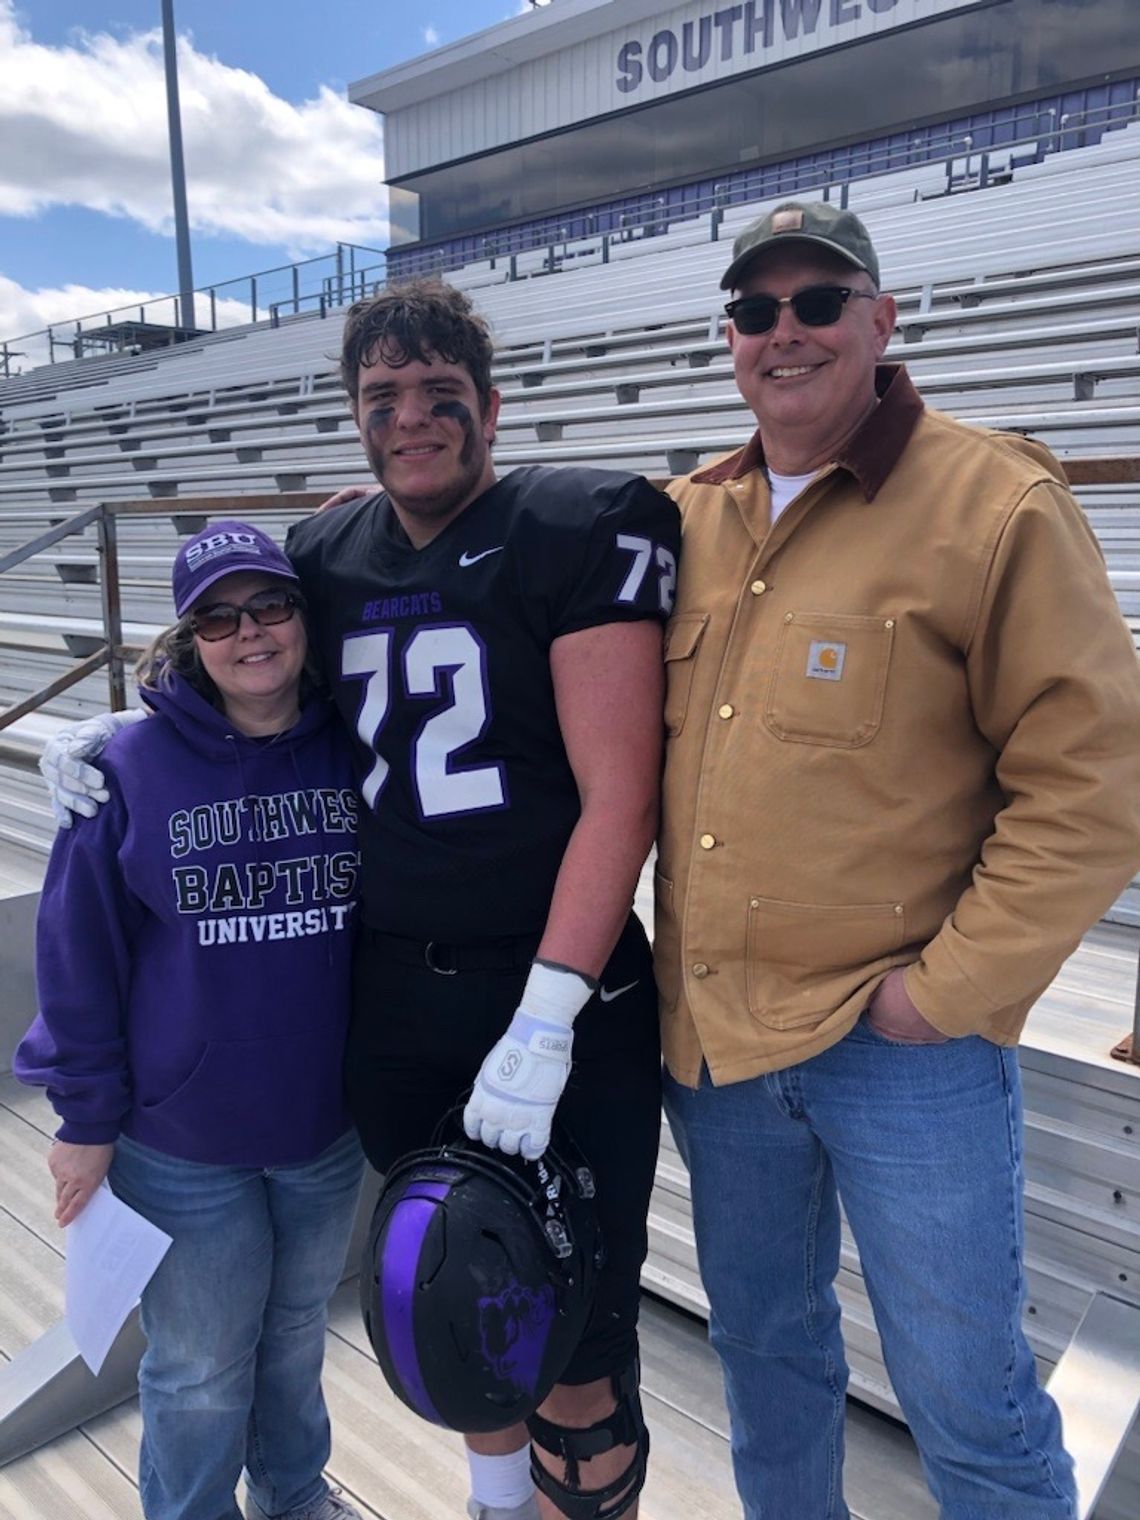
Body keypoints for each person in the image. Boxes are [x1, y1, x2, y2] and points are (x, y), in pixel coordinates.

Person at [41, 280, 681, 1520]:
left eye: (442, 392)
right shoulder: (332, 551)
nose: (413, 416)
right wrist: (135, 726)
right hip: (401, 996)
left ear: (493, 407)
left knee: (582, 1335)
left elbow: (622, 798)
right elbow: (235, 652)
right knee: (458, 1295)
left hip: (555, 985)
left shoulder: (575, 521)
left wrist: (547, 1021)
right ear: (356, 419)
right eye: (383, 396)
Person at [656, 200, 1140, 1518]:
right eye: (756, 311)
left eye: (820, 302)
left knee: (967, 1398)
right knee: (768, 1365)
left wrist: (946, 992)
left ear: (883, 319)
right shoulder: (689, 517)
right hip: (722, 1050)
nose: (786, 331)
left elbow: (1093, 780)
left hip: (902, 1050)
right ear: (733, 341)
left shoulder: (996, 503)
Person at [16, 521, 366, 1520]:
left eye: (270, 605)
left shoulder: (356, 744)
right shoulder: (127, 769)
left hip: (321, 1127)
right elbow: (75, 956)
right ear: (187, 636)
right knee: (201, 1364)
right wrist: (84, 1119)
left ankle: (294, 1492)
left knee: (296, 1335)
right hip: (183, 1139)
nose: (247, 631)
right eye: (217, 614)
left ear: (304, 617)